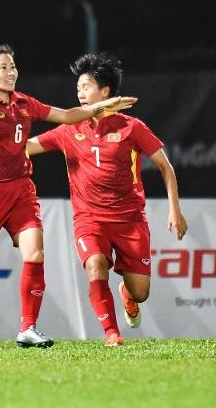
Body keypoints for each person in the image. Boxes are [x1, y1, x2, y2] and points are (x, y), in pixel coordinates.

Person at [0, 44, 137, 350]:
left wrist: (104, 106)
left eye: (13, 66)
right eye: (3, 67)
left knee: (35, 254)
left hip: (22, 189)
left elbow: (67, 116)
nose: (11, 72)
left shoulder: (24, 103)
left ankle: (28, 328)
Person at [26, 53, 187, 346]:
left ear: (105, 92)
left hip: (129, 220)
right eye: (78, 87)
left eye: (86, 86)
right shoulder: (69, 129)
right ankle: (112, 334)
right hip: (89, 219)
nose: (80, 92)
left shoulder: (131, 127)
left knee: (140, 292)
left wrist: (175, 210)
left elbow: (166, 166)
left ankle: (128, 295)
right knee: (95, 265)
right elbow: (25, 148)